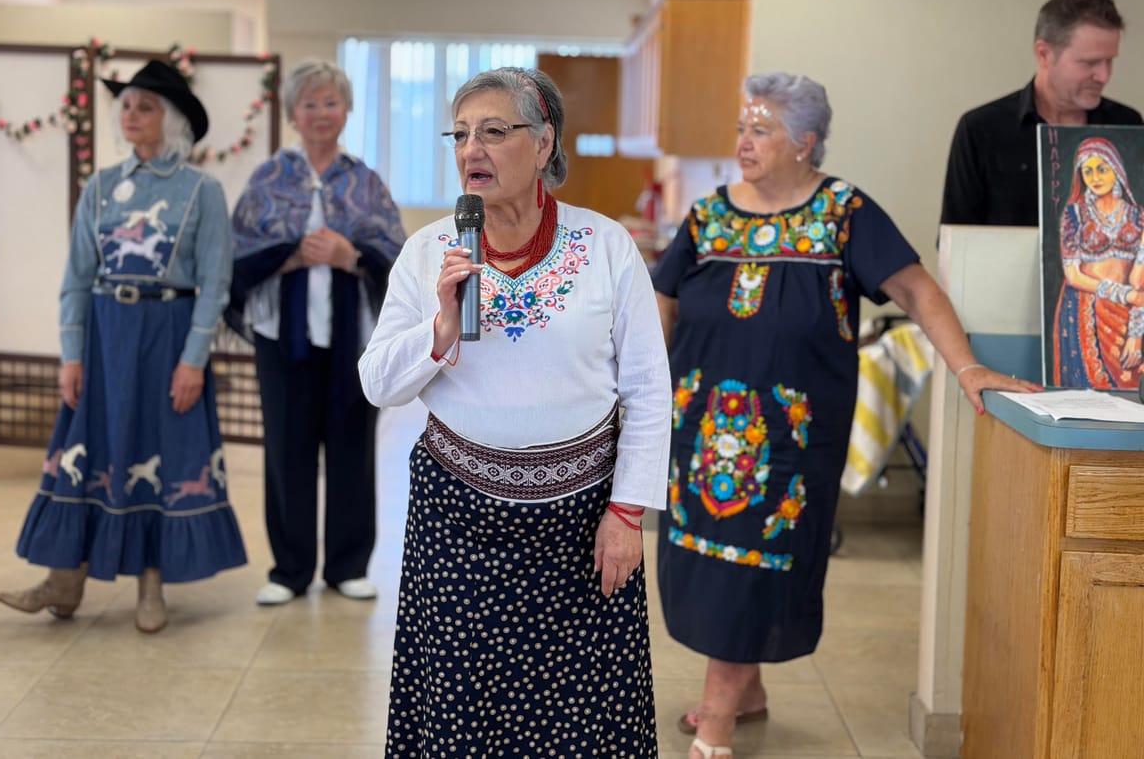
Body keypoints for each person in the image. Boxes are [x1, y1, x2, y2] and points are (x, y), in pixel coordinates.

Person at [654, 72, 1038, 759]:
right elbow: (665, 298)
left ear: (806, 142)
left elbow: (917, 292)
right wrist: (644, 385)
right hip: (700, 429)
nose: (744, 141)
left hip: (790, 439)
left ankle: (715, 722)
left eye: (761, 130)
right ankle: (747, 690)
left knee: (756, 564)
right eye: (742, 128)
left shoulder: (844, 212)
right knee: (708, 565)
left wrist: (967, 367)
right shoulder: (709, 216)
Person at [358, 67, 671, 756]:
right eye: (460, 134)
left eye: (494, 131)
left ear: (543, 142)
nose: (472, 149)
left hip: (582, 527)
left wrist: (628, 514)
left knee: (583, 718)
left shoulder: (605, 246)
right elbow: (379, 384)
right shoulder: (427, 252)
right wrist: (440, 329)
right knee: (463, 711)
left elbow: (649, 389)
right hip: (458, 525)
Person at [0, 59, 246, 634]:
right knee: (87, 447)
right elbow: (76, 276)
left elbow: (215, 284)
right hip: (106, 334)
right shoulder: (101, 186)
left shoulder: (201, 191)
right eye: (126, 105)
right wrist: (72, 354)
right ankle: (64, 580)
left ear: (172, 118)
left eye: (145, 106)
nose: (131, 114)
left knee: (157, 448)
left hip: (167, 334)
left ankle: (150, 582)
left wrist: (193, 361)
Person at [230, 59, 405, 606]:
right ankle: (289, 570)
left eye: (331, 102)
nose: (321, 113)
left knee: (353, 446)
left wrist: (349, 255)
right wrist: (289, 257)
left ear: (347, 110)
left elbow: (395, 254)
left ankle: (348, 565)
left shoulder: (365, 181)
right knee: (287, 448)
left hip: (353, 337)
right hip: (281, 335)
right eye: (310, 104)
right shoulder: (269, 178)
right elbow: (239, 251)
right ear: (292, 113)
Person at [940, 0, 1142, 227]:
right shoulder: (980, 131)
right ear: (1044, 54)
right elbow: (956, 240)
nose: (1104, 76)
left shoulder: (1127, 125)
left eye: (1110, 61)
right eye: (1090, 63)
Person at [1053, 135, 1144, 388]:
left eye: (1102, 169)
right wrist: (1123, 294)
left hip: (1130, 313)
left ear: (1116, 169)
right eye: (1088, 171)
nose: (1095, 178)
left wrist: (1136, 332)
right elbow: (1073, 276)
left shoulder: (1138, 216)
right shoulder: (1074, 215)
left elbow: (1140, 281)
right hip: (1086, 311)